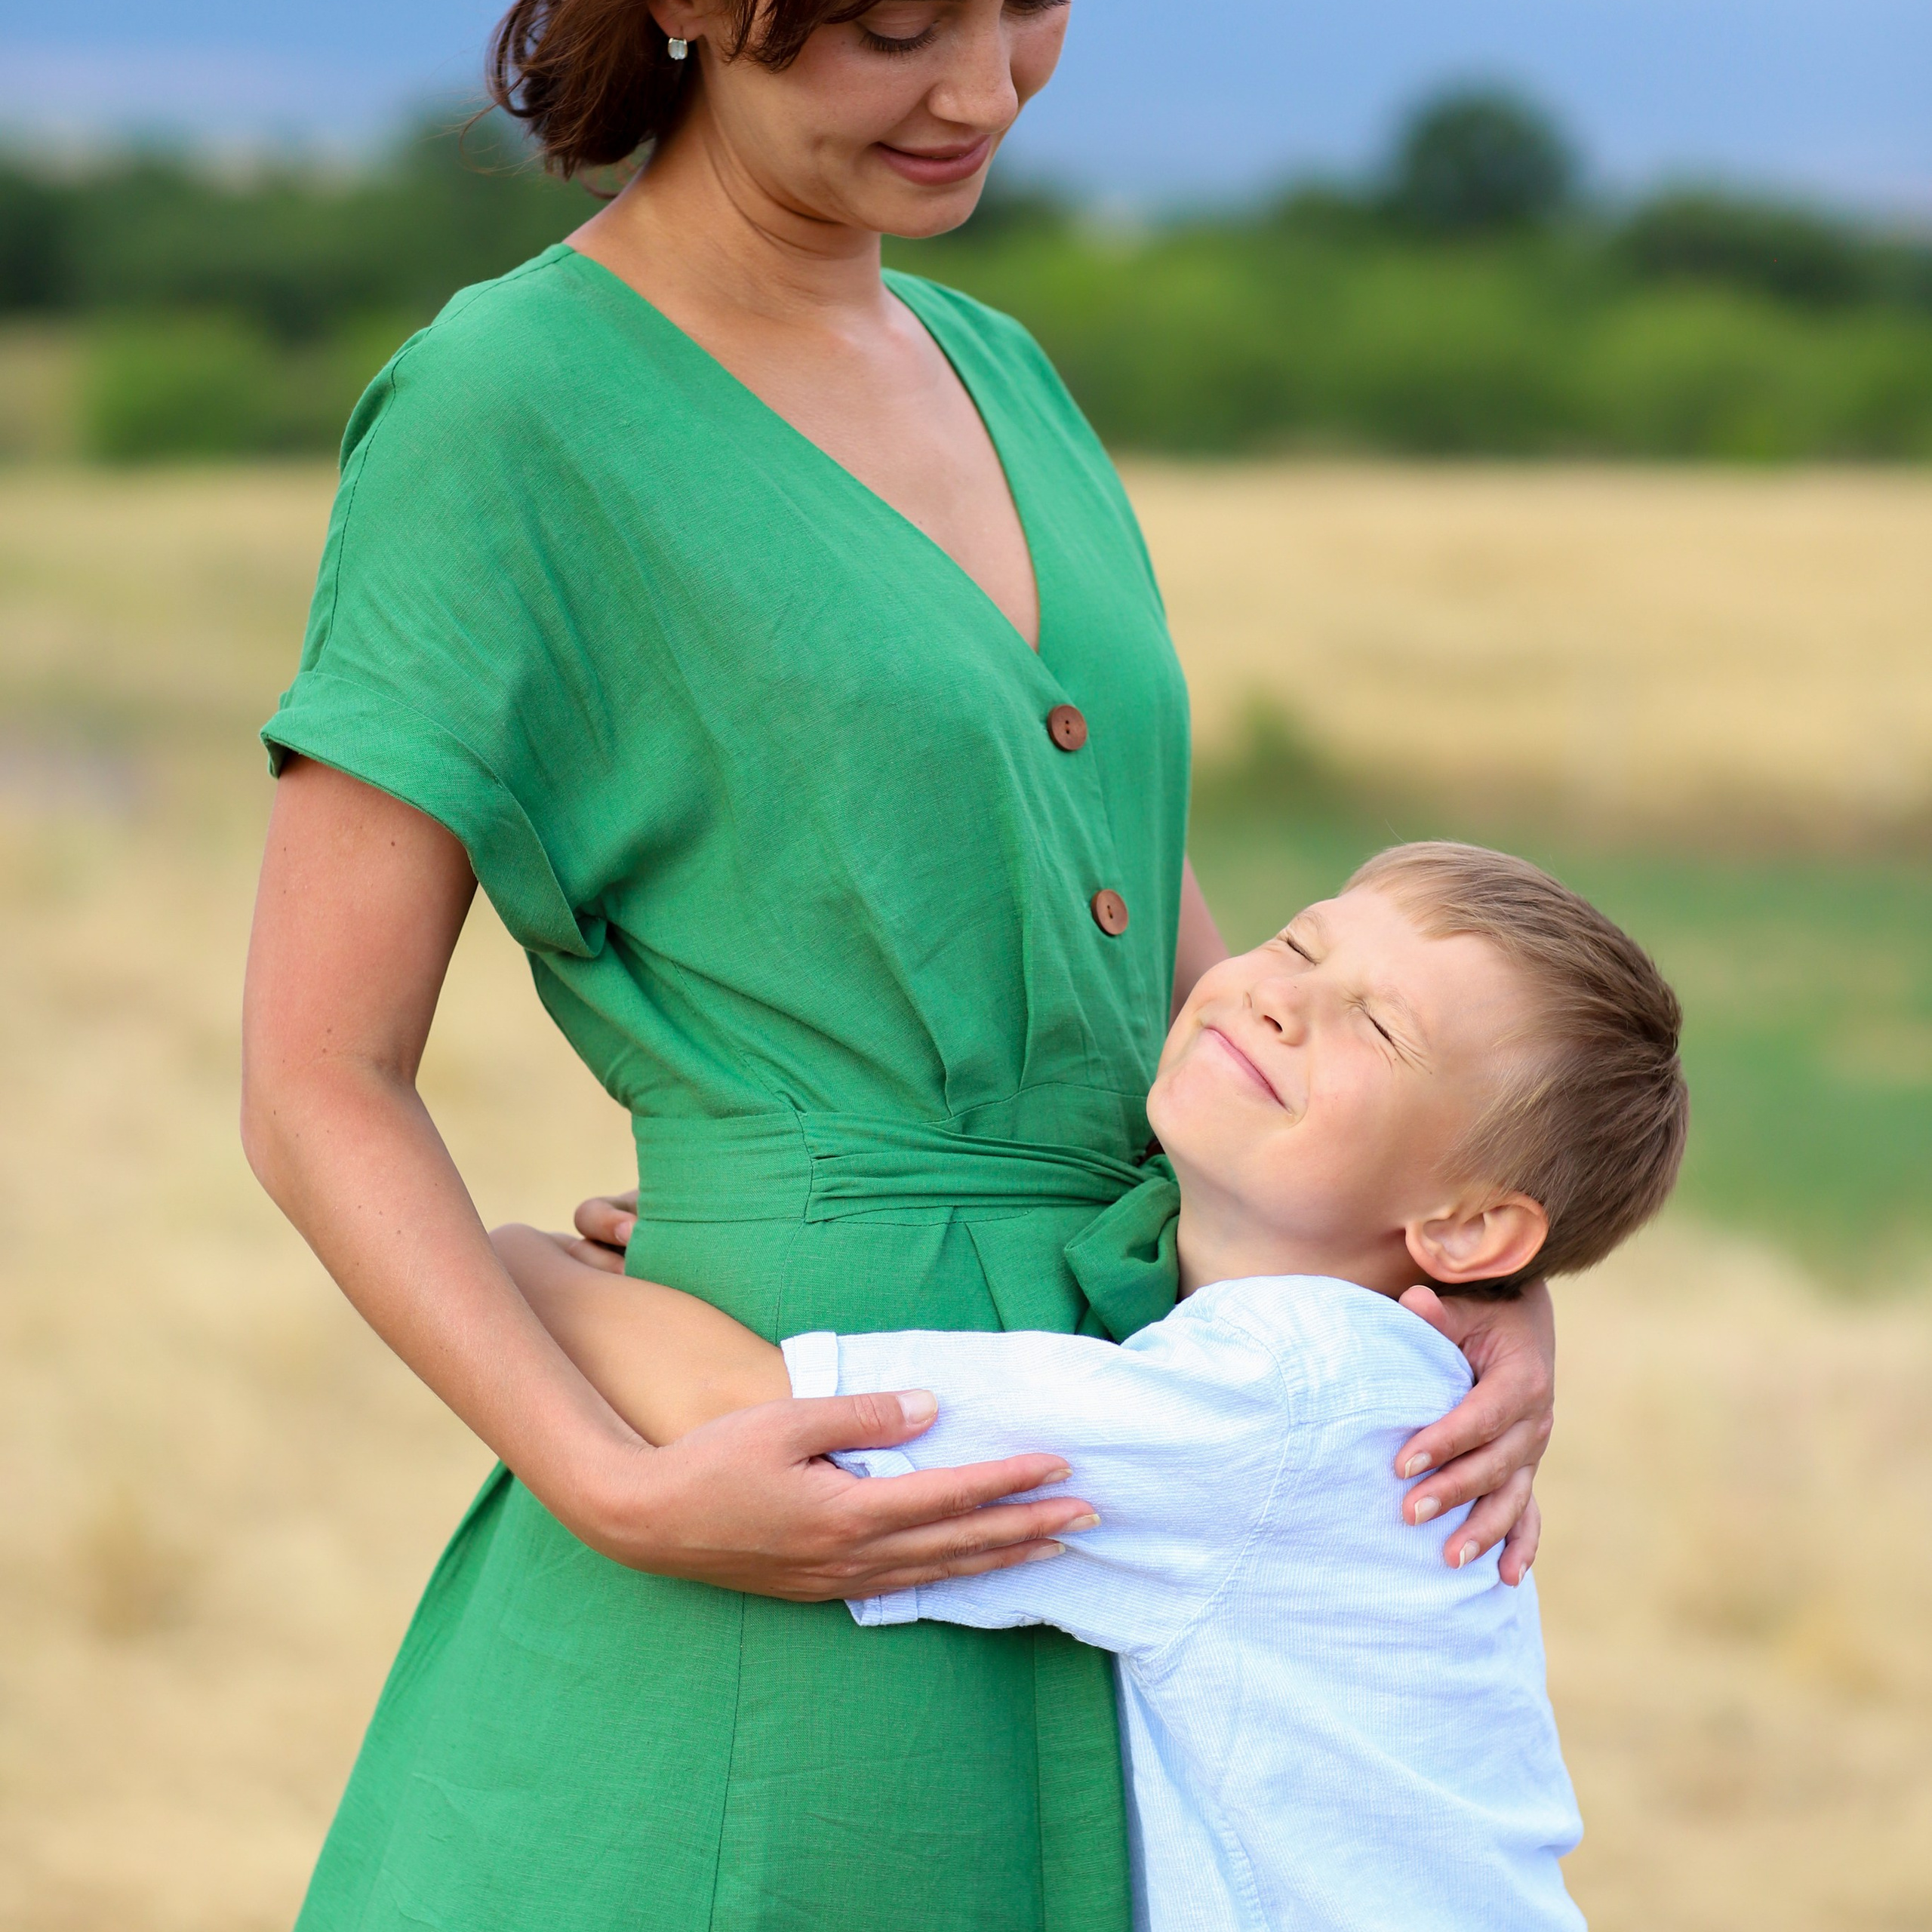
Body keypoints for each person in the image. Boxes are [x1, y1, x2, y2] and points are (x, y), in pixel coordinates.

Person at [239, 5, 1560, 1927]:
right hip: (775, 1462)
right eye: (886, 28)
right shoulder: (500, 408)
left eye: (1025, 8)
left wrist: (1449, 1282)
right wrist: (610, 1484)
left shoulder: (1000, 368)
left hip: (1138, 1452)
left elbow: (1135, 930)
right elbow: (314, 1078)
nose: (978, 92)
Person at [497, 843, 1690, 1931]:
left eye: (1376, 1029)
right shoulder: (1334, 1369)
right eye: (1297, 945)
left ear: (1474, 1228)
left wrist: (519, 1267)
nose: (1277, 996)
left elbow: (771, 1419)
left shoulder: (1286, 1397)